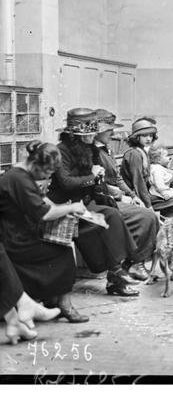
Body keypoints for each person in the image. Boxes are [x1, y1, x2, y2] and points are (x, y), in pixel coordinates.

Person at [48, 108, 140, 297]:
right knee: (103, 220)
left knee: (112, 214)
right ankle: (117, 272)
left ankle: (122, 268)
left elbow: (92, 183)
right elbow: (65, 183)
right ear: (76, 134)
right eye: (89, 133)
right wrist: (93, 176)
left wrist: (100, 181)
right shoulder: (61, 151)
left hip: (84, 203)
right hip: (64, 205)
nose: (92, 136)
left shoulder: (90, 149)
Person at [0, 140, 90, 323]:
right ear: (36, 164)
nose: (47, 176)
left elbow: (42, 200)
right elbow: (45, 213)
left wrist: (64, 207)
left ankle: (51, 299)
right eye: (47, 172)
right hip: (12, 237)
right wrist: (70, 207)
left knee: (58, 247)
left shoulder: (22, 173)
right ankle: (64, 305)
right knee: (62, 250)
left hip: (18, 231)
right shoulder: (18, 179)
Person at [93, 109, 158, 281]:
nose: (113, 133)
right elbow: (99, 184)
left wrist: (131, 194)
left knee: (148, 215)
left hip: (113, 196)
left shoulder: (106, 149)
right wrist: (122, 196)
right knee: (147, 216)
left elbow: (117, 177)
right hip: (101, 200)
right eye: (109, 130)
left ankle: (135, 261)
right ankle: (135, 262)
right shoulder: (92, 152)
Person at [120, 117, 173, 217]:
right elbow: (138, 182)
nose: (148, 138)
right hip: (135, 195)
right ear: (136, 137)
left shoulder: (141, 151)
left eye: (151, 135)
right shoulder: (134, 154)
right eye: (144, 135)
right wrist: (148, 204)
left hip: (147, 191)